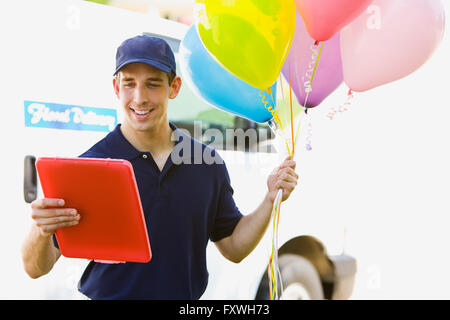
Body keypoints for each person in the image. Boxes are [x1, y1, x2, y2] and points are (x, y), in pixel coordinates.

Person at [21, 35, 298, 299]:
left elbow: (235, 247)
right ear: (117, 88)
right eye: (129, 83)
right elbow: (35, 268)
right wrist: (41, 230)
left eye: (153, 84)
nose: (139, 97)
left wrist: (270, 199)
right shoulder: (89, 167)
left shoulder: (207, 163)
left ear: (174, 87)